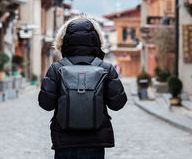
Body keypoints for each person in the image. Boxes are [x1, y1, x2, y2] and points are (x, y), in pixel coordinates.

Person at [38, 16, 127, 159]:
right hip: (95, 141)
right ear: (97, 40)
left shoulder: (57, 68)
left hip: (64, 140)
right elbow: (118, 104)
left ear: (63, 40)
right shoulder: (105, 68)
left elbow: (46, 104)